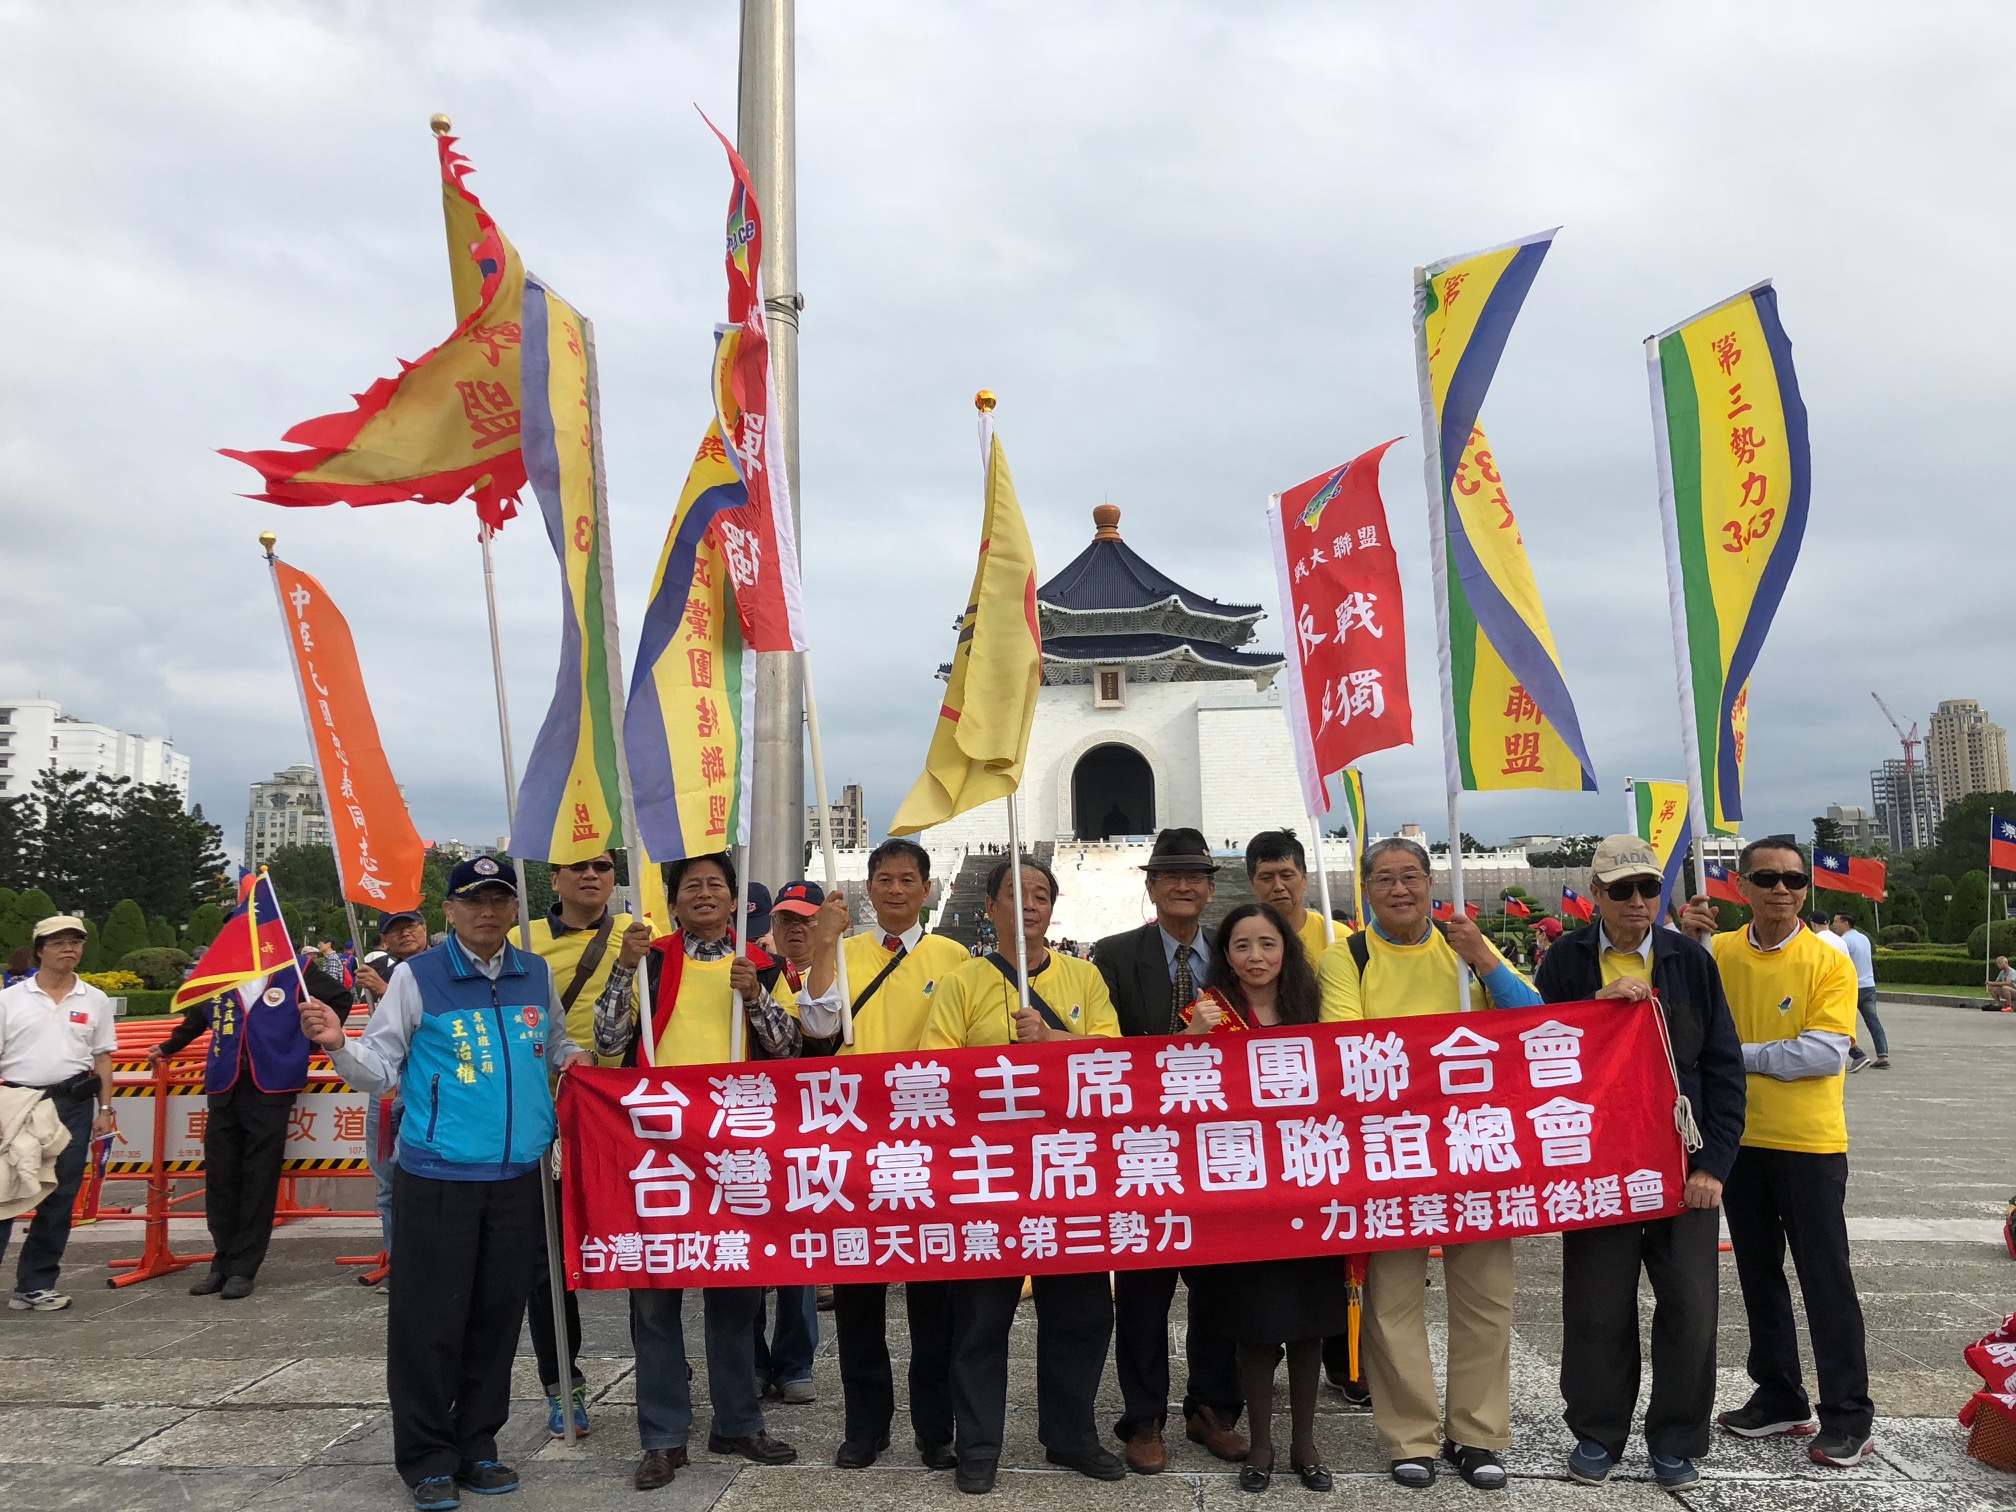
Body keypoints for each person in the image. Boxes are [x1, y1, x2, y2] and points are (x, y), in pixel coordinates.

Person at [298, 858, 585, 1511]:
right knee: (430, 1322)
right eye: (473, 900)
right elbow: (377, 1068)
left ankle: (478, 1444)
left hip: (520, 1177)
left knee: (495, 1318)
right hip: (438, 1175)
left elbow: (558, 1046)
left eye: (499, 899)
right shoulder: (417, 978)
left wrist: (578, 1062)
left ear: (516, 908)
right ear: (449, 910)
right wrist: (338, 1043)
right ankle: (427, 1457)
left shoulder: (533, 973)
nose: (487, 911)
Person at [1317, 837, 1542, 1490]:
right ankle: (1409, 1436)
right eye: (1384, 879)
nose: (1399, 890)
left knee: (1485, 1296)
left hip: (1474, 1144)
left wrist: (1485, 962)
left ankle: (1477, 1434)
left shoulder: (1464, 945)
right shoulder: (1347, 955)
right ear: (1365, 890)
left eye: (1411, 876)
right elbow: (1347, 1048)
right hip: (1393, 1149)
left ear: (1431, 882)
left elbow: (1531, 1020)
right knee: (1392, 1300)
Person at [593, 852, 814, 1490]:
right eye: (693, 886)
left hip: (735, 1153)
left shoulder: (763, 965)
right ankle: (663, 1437)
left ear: (733, 896)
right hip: (658, 1153)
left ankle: (738, 1421)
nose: (706, 894)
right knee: (656, 1302)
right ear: (674, 898)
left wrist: (753, 997)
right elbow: (610, 1040)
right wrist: (625, 967)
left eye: (717, 884)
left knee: (737, 1298)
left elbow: (788, 1048)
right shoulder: (652, 957)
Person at [1533, 836, 1747, 1491]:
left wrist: (1713, 1164)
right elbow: (1538, 1054)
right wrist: (1596, 1010)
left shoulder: (1688, 959)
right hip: (1598, 1165)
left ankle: (1677, 1438)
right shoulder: (1565, 962)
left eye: (1648, 888)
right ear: (1594, 894)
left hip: (1680, 1166)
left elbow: (1723, 1068)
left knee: (1688, 1304)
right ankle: (1598, 1432)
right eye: (1621, 890)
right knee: (1597, 1307)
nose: (1637, 902)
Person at [922, 854, 1124, 1494]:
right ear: (990, 909)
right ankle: (978, 1444)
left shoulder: (1084, 978)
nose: (1029, 904)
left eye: (1040, 894)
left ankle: (1070, 1435)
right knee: (982, 1318)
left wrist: (1052, 1041)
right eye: (1015, 893)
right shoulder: (962, 982)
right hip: (989, 1176)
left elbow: (1114, 1059)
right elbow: (936, 1072)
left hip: (1068, 1174)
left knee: (1083, 1313)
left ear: (1051, 909)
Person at [1681, 839, 1874, 1467]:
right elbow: (1674, 1005)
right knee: (1758, 1274)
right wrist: (1685, 937)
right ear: (1743, 885)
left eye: (1793, 879)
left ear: (1805, 888)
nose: (1781, 889)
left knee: (1825, 1278)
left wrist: (1736, 1057)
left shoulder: (1829, 958)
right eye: (1766, 877)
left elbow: (1822, 1054)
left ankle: (1847, 1413)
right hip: (1737, 1142)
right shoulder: (1719, 951)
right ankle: (1779, 1394)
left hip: (1808, 1143)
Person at [800, 839, 967, 1470]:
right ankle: (865, 1425)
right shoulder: (842, 953)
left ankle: (935, 1427)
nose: (895, 890)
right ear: (868, 889)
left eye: (907, 880)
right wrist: (820, 943)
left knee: (934, 1300)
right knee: (859, 1295)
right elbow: (817, 1027)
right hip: (855, 1144)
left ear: (927, 888)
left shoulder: (956, 958)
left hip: (929, 1147)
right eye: (884, 880)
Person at [1092, 827, 1248, 1474]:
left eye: (1196, 876)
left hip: (1219, 1149)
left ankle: (1212, 1408)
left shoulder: (1239, 955)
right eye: (1170, 875)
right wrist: (1180, 1039)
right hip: (1145, 1149)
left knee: (1218, 1289)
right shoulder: (1114, 955)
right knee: (1144, 1291)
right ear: (1151, 886)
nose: (1184, 886)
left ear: (1212, 889)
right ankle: (1144, 1417)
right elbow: (1107, 1053)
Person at [1182, 903, 1344, 1494]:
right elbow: (1171, 1087)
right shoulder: (1211, 1013)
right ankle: (1264, 1445)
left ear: (1287, 951)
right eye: (1243, 946)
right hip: (1244, 1186)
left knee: (1308, 1320)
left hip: (1307, 1180)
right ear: (1225, 955)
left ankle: (1305, 1443)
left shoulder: (1317, 1009)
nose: (1256, 958)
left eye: (1268, 945)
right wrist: (1192, 1036)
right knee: (1255, 1321)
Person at [518, 850, 651, 1439]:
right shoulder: (525, 941)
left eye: (602, 865)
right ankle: (561, 1383)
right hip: (544, 1122)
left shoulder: (642, 931)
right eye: (577, 866)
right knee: (547, 1265)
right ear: (555, 878)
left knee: (643, 1249)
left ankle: (659, 1364)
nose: (590, 875)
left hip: (623, 1120)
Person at [147, 937, 352, 1299]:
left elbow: (339, 998)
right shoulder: (220, 976)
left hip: (272, 1084)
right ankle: (221, 1262)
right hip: (224, 1084)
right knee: (221, 1178)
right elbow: (196, 1018)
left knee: (259, 1177)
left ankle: (243, 1268)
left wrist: (306, 1043)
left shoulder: (298, 972)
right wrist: (168, 1047)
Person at [0, 917, 116, 1312]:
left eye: (76, 942)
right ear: (39, 949)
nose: (69, 949)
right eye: (58, 942)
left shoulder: (94, 998)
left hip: (72, 1104)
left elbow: (102, 1058)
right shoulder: (10, 1000)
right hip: (18, 1103)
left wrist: (105, 1109)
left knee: (60, 1195)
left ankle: (35, 1283)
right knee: (5, 1193)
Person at [354, 907, 429, 1269]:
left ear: (425, 928)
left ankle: (426, 1266)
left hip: (425, 1089)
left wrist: (385, 990)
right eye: (395, 930)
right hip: (386, 1091)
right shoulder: (379, 968)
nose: (405, 934)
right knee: (387, 1184)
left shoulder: (440, 969)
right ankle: (398, 1265)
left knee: (419, 1180)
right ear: (384, 939)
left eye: (411, 926)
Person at [1244, 828, 1340, 963]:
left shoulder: (1338, 936)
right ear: (1252, 884)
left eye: (1286, 876)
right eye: (1266, 878)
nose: (1278, 886)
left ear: (1305, 879)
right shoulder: (1241, 942)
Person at [1830, 912, 1888, 1071]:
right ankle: (1882, 1055)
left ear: (1845, 923)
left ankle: (1855, 1055)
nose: (1834, 925)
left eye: (1836, 922)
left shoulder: (1844, 941)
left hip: (1852, 988)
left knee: (1840, 1022)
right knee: (1873, 1022)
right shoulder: (1864, 938)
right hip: (1869, 985)